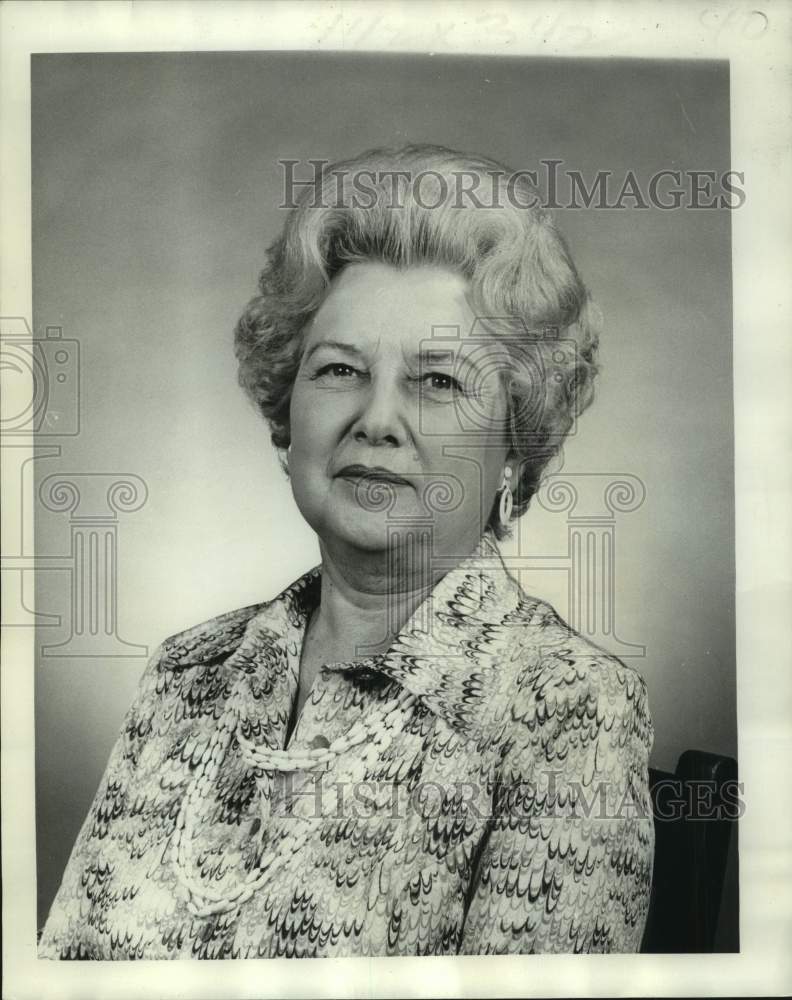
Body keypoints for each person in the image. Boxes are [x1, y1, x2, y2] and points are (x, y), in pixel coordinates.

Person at [39, 144, 654, 959]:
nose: (376, 419)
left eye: (438, 381)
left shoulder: (573, 712)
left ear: (515, 445)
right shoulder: (188, 672)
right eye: (339, 369)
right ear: (288, 414)